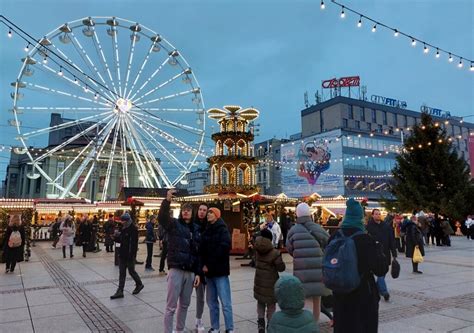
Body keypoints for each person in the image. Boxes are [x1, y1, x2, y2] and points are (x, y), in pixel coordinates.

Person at [330, 198, 388, 333]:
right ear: (360, 218)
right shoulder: (365, 239)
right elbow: (380, 270)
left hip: (340, 295)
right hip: (363, 295)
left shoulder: (334, 237)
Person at [159, 190, 201, 333]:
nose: (186, 212)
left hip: (189, 272)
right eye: (184, 210)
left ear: (192, 212)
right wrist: (167, 200)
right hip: (176, 269)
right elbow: (162, 218)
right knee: (171, 306)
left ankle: (179, 330)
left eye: (188, 210)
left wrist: (197, 273)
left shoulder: (196, 229)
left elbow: (197, 253)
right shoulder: (174, 224)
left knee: (184, 305)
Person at [286, 202, 330, 322]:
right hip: (318, 272)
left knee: (303, 301)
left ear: (297, 214)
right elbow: (328, 244)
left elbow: (289, 249)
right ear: (309, 214)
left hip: (301, 272)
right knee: (317, 301)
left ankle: (305, 326)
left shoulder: (293, 231)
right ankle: (314, 326)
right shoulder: (318, 228)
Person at [200, 207, 234, 333]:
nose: (208, 214)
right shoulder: (207, 230)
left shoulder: (222, 230)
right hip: (209, 273)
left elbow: (224, 248)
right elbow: (202, 250)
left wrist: (208, 263)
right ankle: (215, 327)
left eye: (210, 212)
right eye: (208, 212)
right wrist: (203, 264)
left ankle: (230, 328)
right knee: (212, 302)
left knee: (225, 302)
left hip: (220, 272)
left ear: (217, 215)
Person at [254, 228, 286, 333]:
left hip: (259, 282)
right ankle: (270, 324)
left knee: (261, 302)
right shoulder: (275, 253)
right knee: (271, 304)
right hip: (271, 283)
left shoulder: (257, 250)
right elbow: (281, 268)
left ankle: (261, 323)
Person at [110, 213, 144, 299]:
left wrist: (132, 255)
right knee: (122, 273)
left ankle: (139, 284)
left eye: (123, 221)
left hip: (129, 255)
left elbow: (133, 245)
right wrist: (115, 238)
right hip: (122, 254)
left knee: (131, 271)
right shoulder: (124, 228)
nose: (122, 223)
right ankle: (120, 291)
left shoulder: (133, 230)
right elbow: (122, 241)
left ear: (127, 220)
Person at [366, 208, 397, 301]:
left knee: (383, 272)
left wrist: (394, 253)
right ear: (372, 215)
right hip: (374, 253)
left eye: (379, 214)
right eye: (376, 214)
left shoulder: (386, 226)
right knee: (381, 273)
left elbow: (391, 240)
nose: (378, 215)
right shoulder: (369, 227)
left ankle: (376, 288)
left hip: (385, 253)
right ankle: (384, 292)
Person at [193, 203, 208, 332]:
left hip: (203, 265)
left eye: (205, 210)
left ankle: (199, 320)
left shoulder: (209, 227)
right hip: (191, 265)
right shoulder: (192, 225)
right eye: (200, 210)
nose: (202, 212)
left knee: (201, 297)